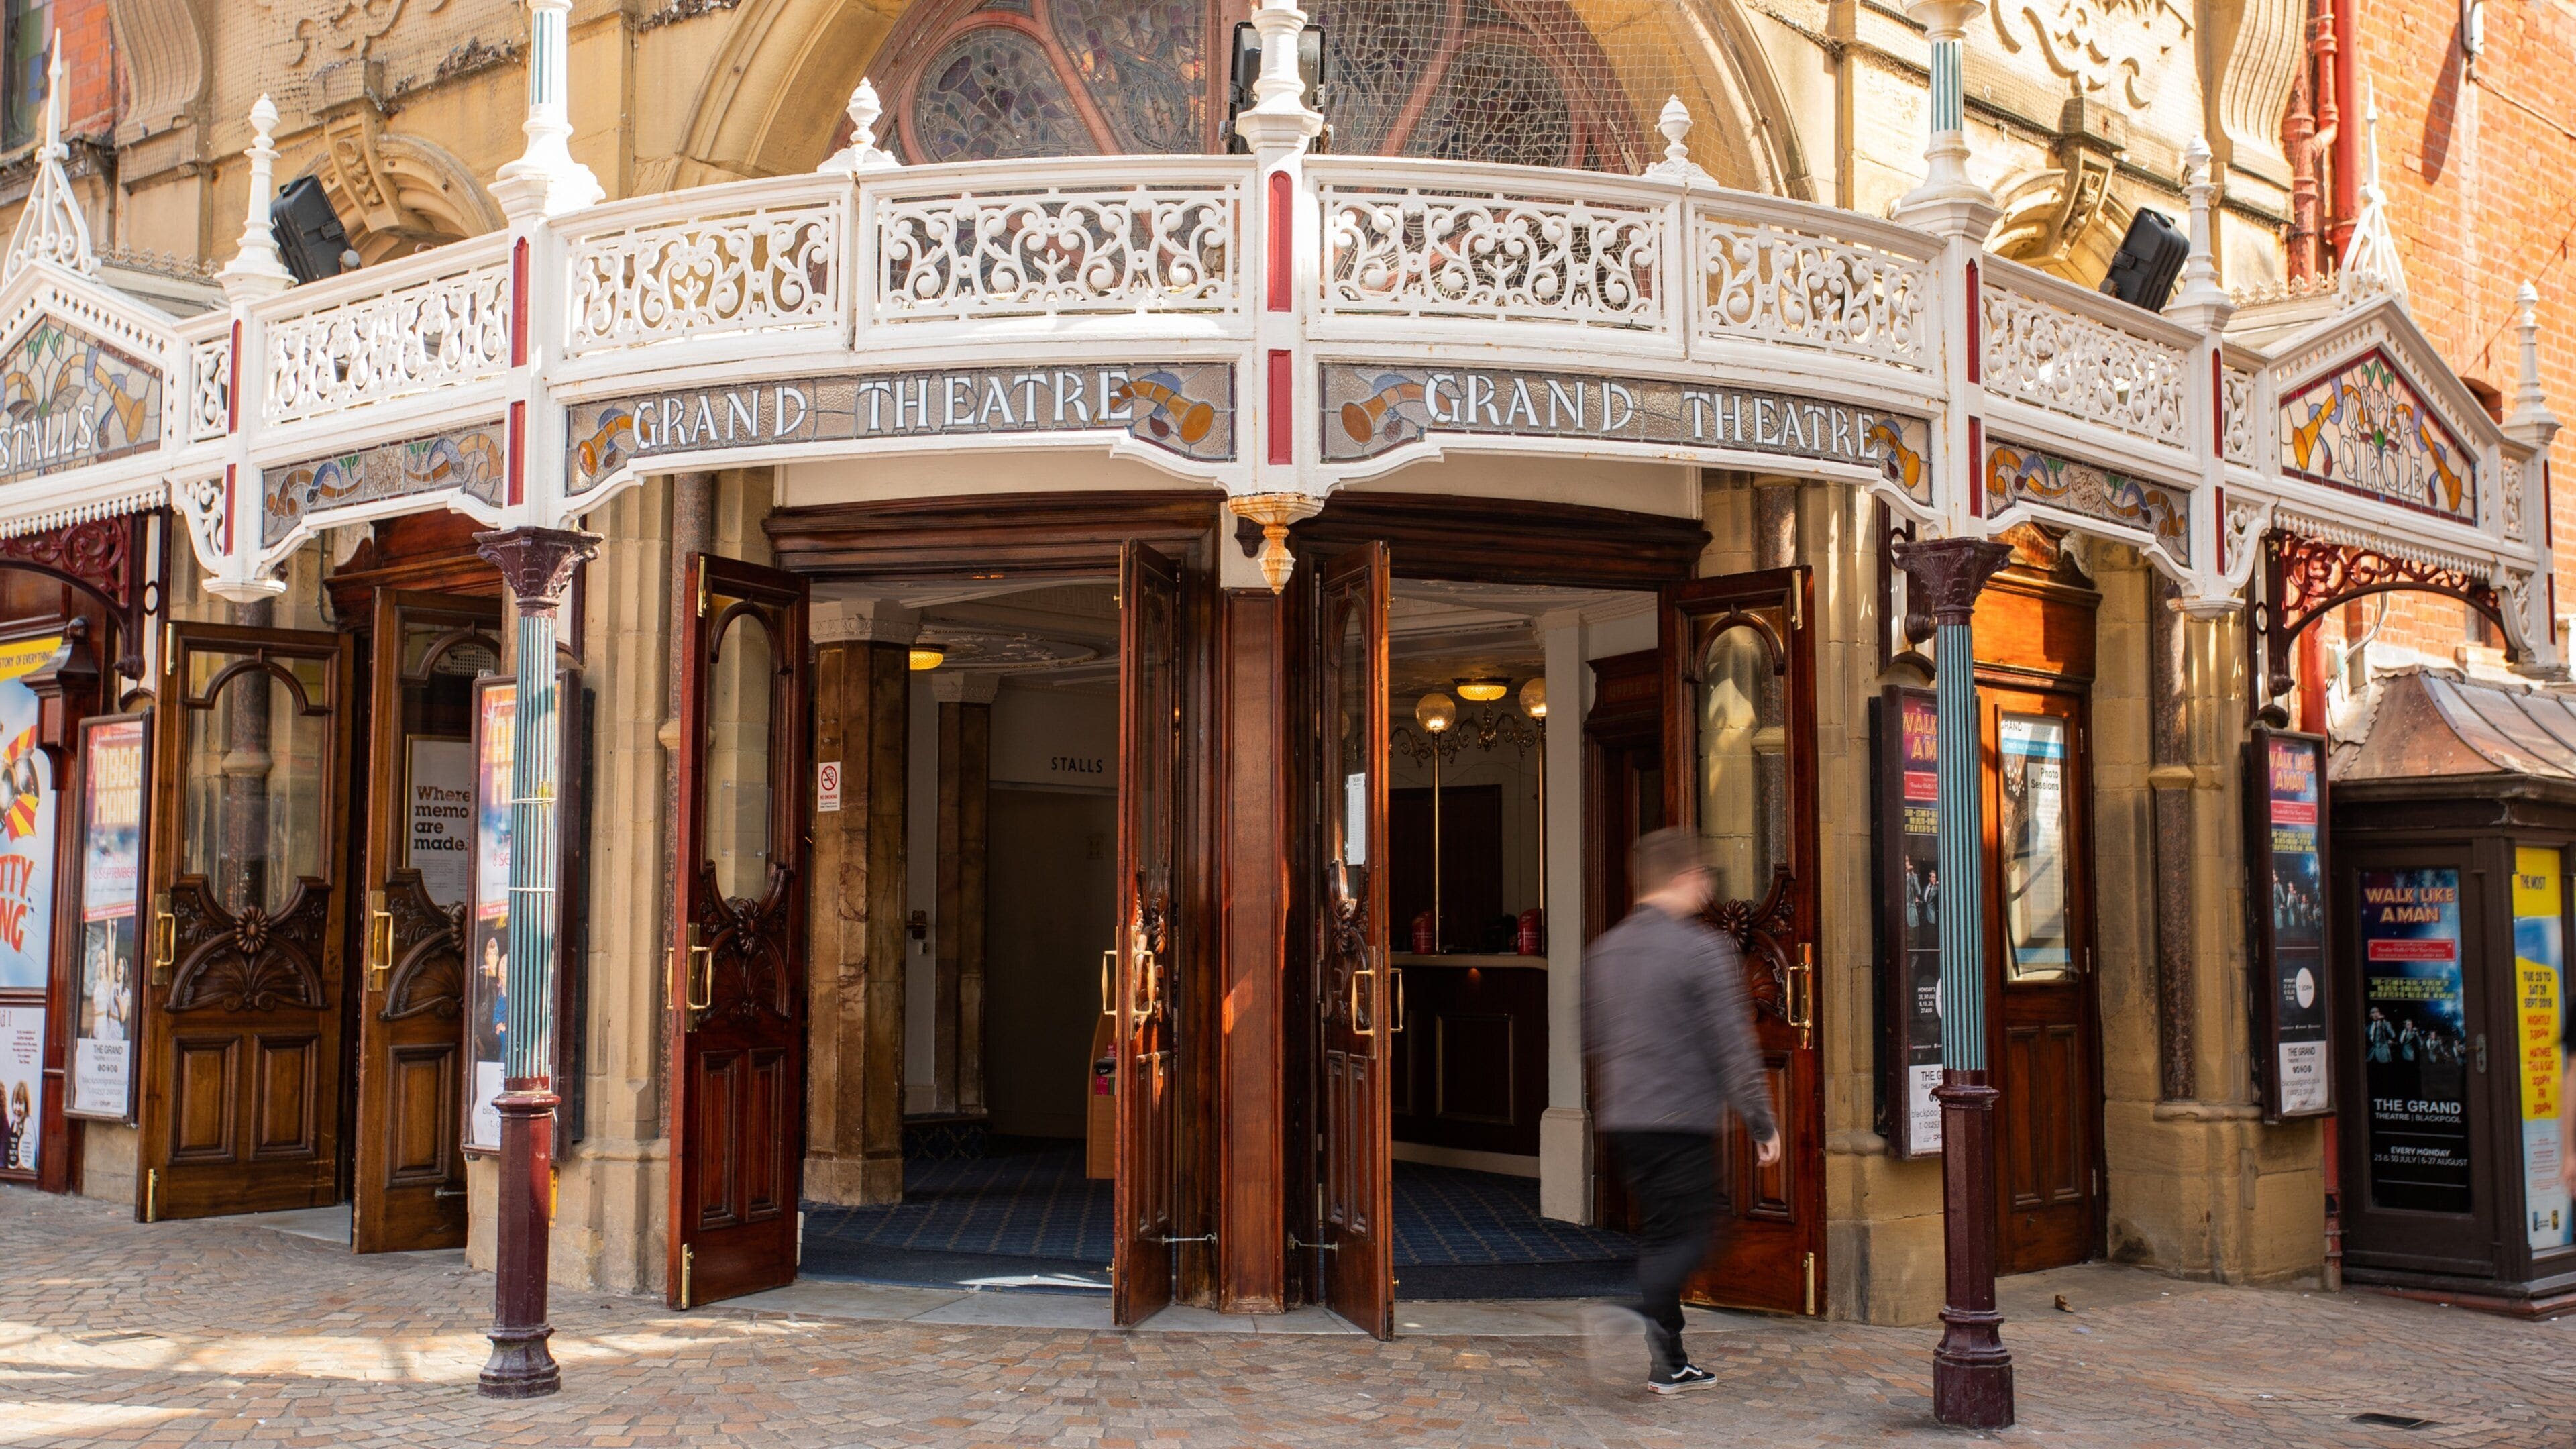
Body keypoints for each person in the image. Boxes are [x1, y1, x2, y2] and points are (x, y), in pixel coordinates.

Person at [1582, 826, 1781, 1395]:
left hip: (1624, 1116)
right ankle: (1635, 1313)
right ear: (1685, 878)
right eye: (1704, 878)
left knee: (1661, 1236)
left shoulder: (1606, 949)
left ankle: (1669, 1363)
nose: (1708, 889)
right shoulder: (1702, 949)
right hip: (1682, 1118)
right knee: (1697, 1236)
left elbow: (1591, 1034)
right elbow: (1732, 1043)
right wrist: (1760, 1121)